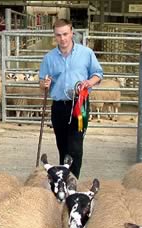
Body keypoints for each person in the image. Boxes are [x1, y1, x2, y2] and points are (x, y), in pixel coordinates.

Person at [39, 19, 103, 179]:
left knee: (75, 147)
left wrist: (89, 82)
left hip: (79, 105)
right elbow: (42, 82)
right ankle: (65, 179)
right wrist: (44, 83)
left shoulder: (86, 53)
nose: (63, 39)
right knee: (63, 146)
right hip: (59, 106)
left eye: (65, 34)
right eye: (58, 35)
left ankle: (73, 181)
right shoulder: (49, 58)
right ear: (55, 36)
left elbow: (98, 74)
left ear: (72, 32)